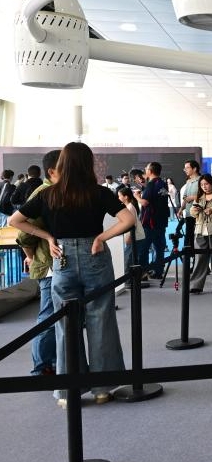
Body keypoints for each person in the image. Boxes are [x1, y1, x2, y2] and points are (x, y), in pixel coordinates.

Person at [9, 142, 134, 407]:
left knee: (65, 324)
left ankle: (69, 392)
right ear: (88, 164)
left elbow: (14, 221)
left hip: (62, 257)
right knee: (101, 318)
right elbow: (128, 220)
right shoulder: (98, 192)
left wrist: (47, 237)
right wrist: (101, 237)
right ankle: (102, 389)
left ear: (62, 164)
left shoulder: (49, 194)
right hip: (95, 256)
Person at [16, 149, 61, 377]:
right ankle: (41, 368)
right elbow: (23, 234)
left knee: (54, 317)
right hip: (49, 266)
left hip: (53, 264)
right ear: (52, 171)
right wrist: (32, 256)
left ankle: (49, 363)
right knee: (48, 317)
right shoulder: (44, 193)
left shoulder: (54, 191)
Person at [135, 162, 170, 280]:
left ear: (150, 171)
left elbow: (145, 202)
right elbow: (157, 198)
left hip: (150, 222)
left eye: (146, 168)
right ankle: (158, 271)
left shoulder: (151, 184)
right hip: (161, 221)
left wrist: (137, 196)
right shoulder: (163, 183)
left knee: (144, 248)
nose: (145, 170)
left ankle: (143, 273)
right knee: (159, 247)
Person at [116, 187, 145, 287]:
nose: (118, 198)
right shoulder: (129, 206)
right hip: (136, 237)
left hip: (135, 237)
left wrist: (128, 238)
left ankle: (129, 281)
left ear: (126, 197)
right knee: (131, 259)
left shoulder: (130, 207)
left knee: (128, 259)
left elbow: (132, 225)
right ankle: (132, 280)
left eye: (119, 196)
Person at [177, 160, 201, 246]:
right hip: (188, 213)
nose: (185, 170)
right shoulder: (188, 181)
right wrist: (181, 209)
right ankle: (188, 253)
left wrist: (193, 197)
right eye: (185, 168)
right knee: (189, 236)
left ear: (194, 169)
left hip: (198, 213)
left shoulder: (201, 180)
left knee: (197, 237)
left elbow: (207, 195)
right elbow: (185, 197)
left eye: (187, 168)